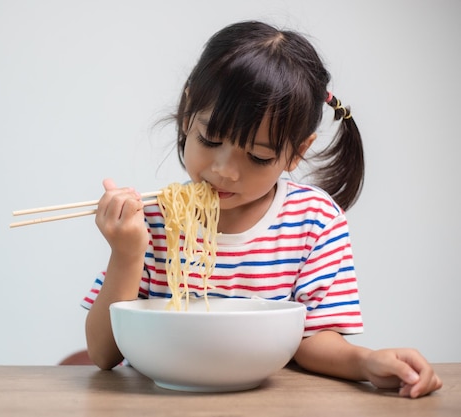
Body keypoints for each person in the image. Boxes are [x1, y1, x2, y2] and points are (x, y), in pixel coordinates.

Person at [81, 20, 442, 398]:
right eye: (209, 138)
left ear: (296, 152)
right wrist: (127, 252)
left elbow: (313, 339)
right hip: (155, 400)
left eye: (257, 156)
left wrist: (366, 362)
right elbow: (103, 354)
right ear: (187, 113)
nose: (224, 170)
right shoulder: (152, 219)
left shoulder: (314, 222)